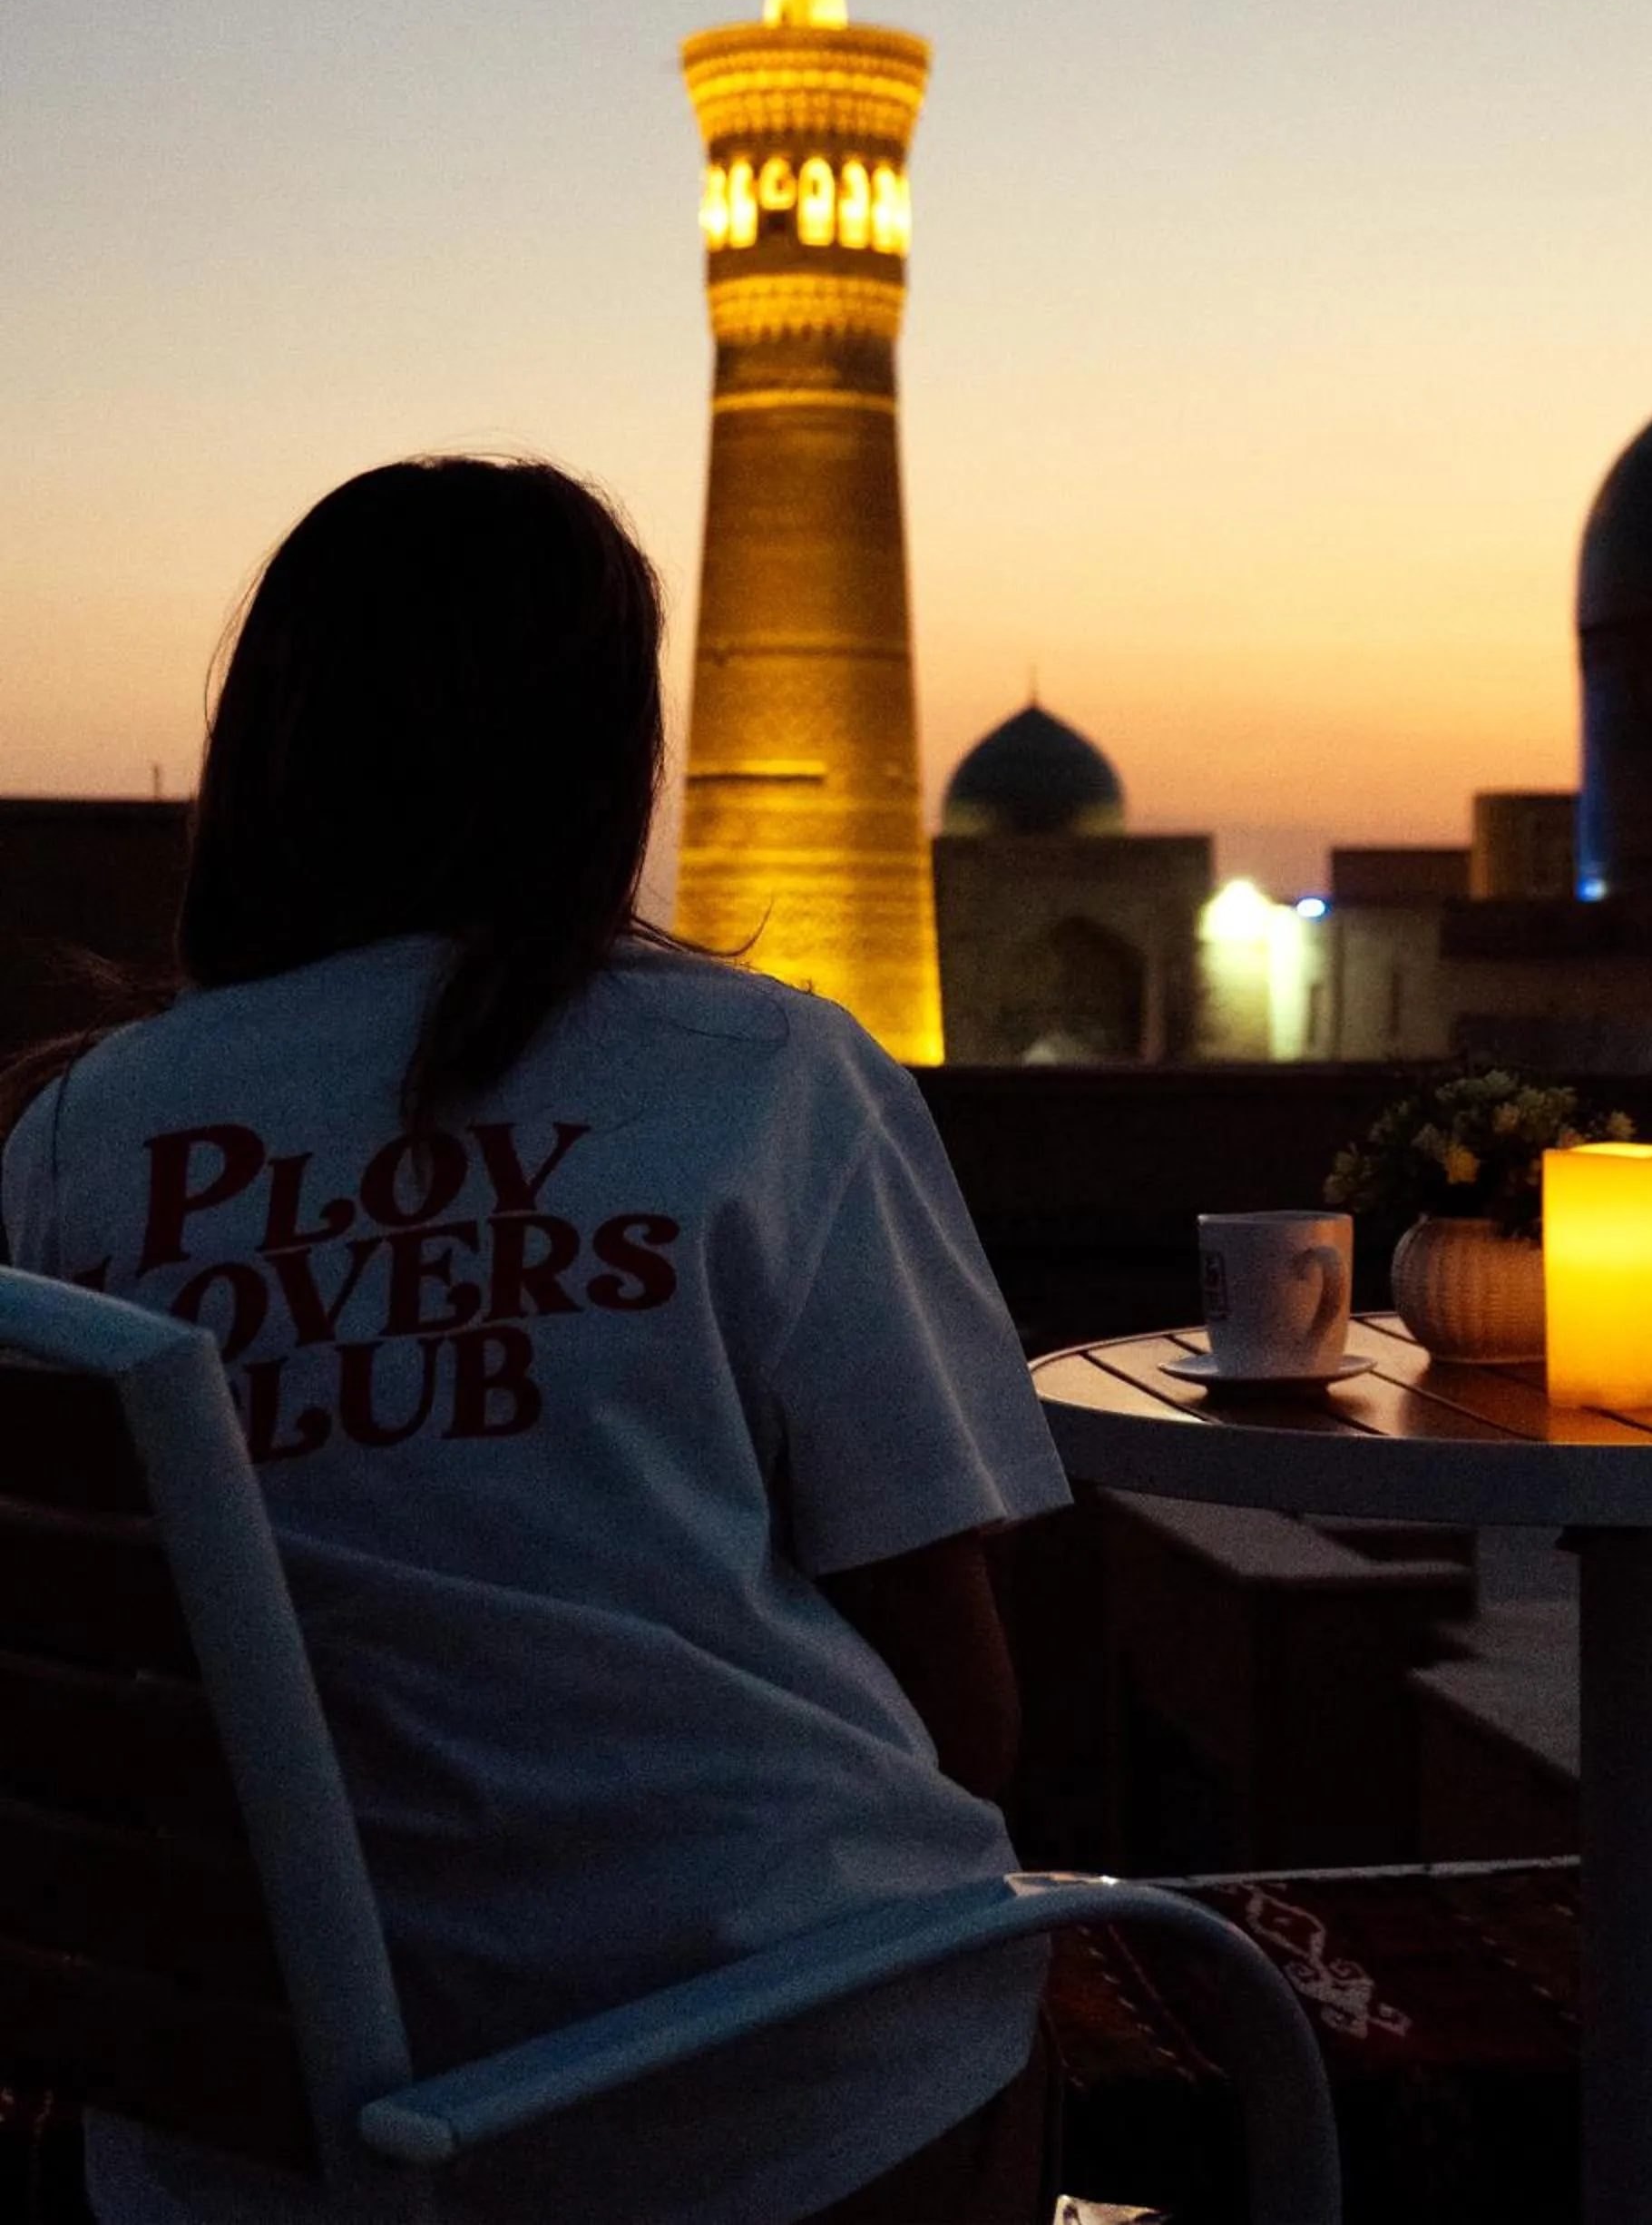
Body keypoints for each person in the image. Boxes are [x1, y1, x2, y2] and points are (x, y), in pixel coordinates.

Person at [0, 458, 1072, 2225]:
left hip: (256, 2131)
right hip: (779, 2099)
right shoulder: (768, 1080)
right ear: (608, 760)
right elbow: (963, 1715)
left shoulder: (79, 1144)